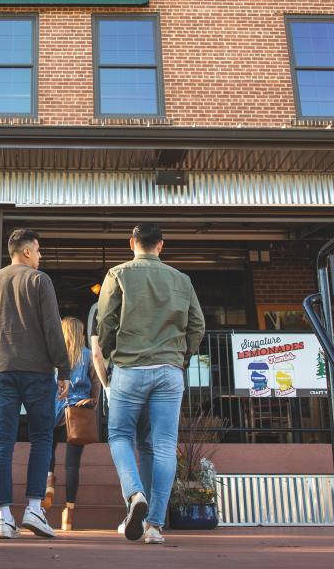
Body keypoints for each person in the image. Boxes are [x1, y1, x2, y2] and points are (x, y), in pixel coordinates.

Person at [97, 223, 205, 545]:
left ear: (132, 243)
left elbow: (105, 320)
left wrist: (108, 351)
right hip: (169, 370)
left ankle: (134, 495)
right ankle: (155, 525)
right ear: (161, 245)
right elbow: (197, 325)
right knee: (163, 445)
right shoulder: (182, 280)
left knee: (119, 435)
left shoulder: (118, 274)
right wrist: (180, 357)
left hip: (130, 368)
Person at [0, 228, 70, 540]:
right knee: (42, 437)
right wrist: (65, 368)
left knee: (2, 440)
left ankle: (3, 517)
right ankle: (34, 507)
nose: (41, 256)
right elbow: (52, 327)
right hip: (37, 371)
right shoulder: (39, 279)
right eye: (39, 250)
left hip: (0, 369)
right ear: (27, 251)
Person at [87, 299, 153, 535]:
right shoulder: (142, 305)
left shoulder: (98, 309)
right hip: (153, 376)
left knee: (121, 439)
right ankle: (151, 521)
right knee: (147, 445)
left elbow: (96, 353)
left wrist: (106, 385)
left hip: (121, 378)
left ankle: (135, 497)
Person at [45, 316, 98, 530]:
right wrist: (92, 403)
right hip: (78, 411)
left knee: (48, 446)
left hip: (55, 410)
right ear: (80, 333)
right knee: (72, 464)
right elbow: (96, 383)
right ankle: (69, 512)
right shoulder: (87, 356)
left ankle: (49, 481)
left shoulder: (54, 357)